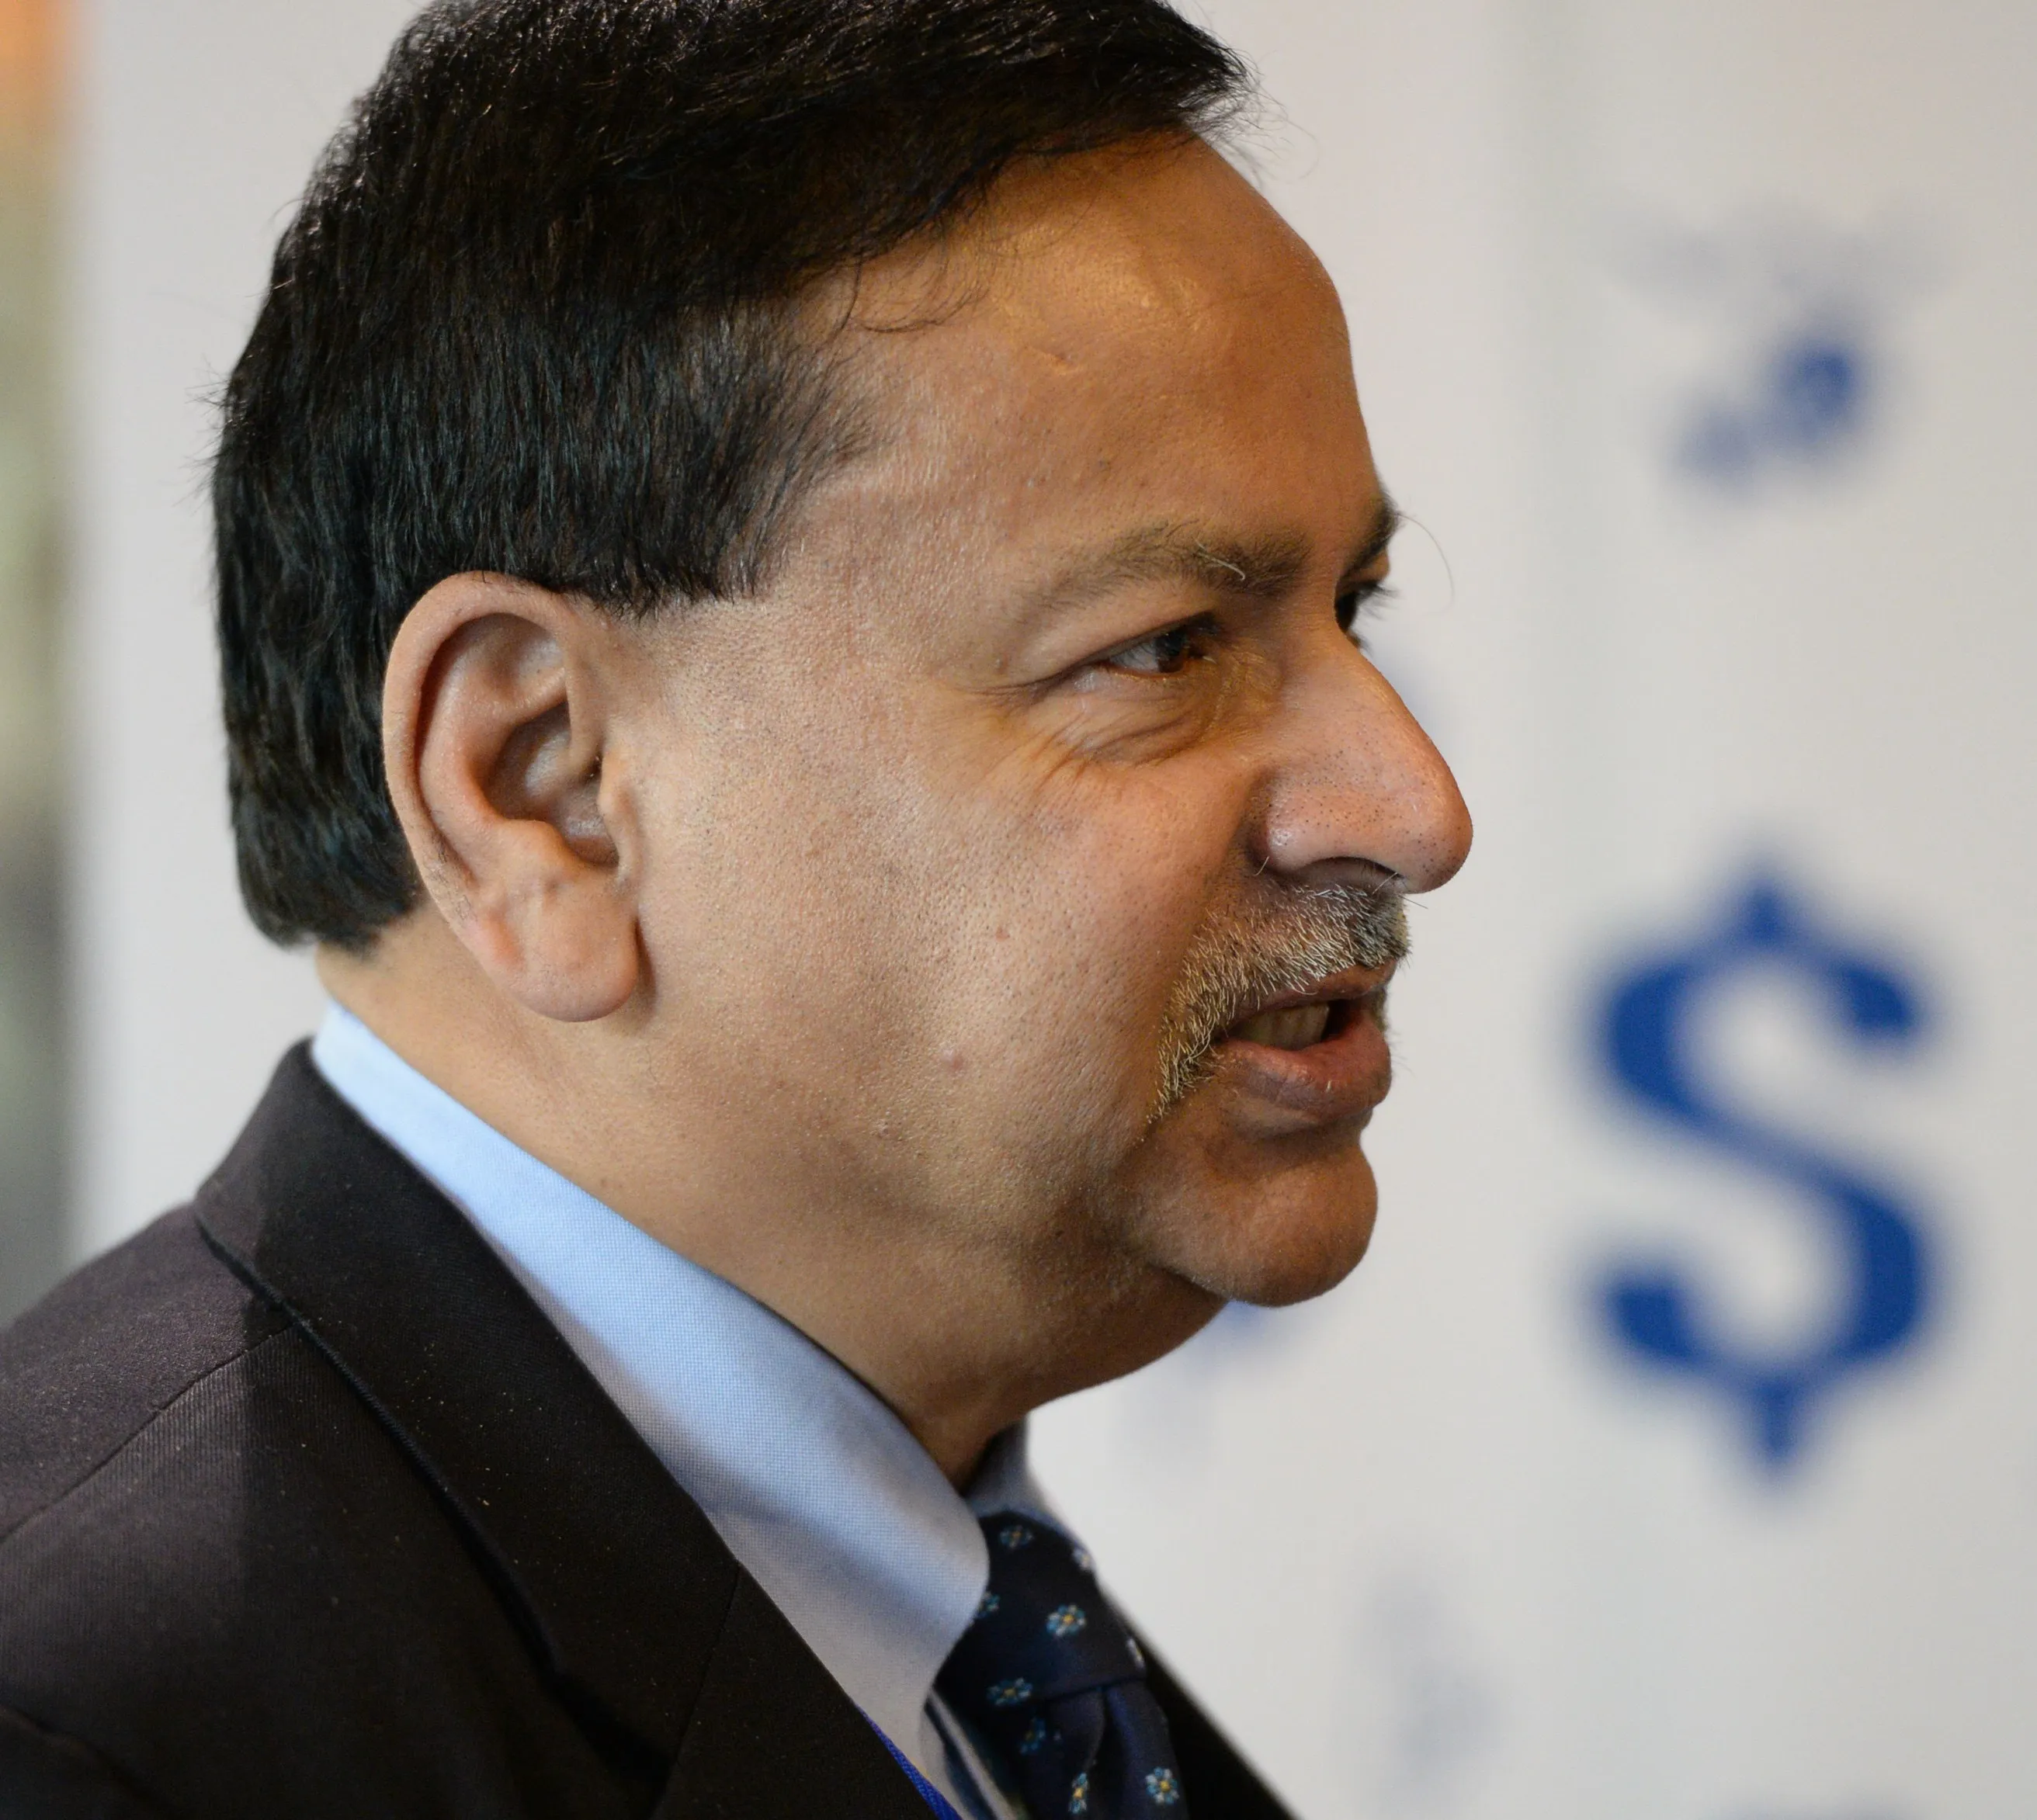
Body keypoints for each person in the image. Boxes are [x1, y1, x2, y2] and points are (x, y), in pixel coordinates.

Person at [0, 1, 1473, 1814]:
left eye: (1353, 609)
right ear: (541, 791)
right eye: (1165, 649)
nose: (1413, 807)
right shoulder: (88, 1734)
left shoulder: (985, 1661)